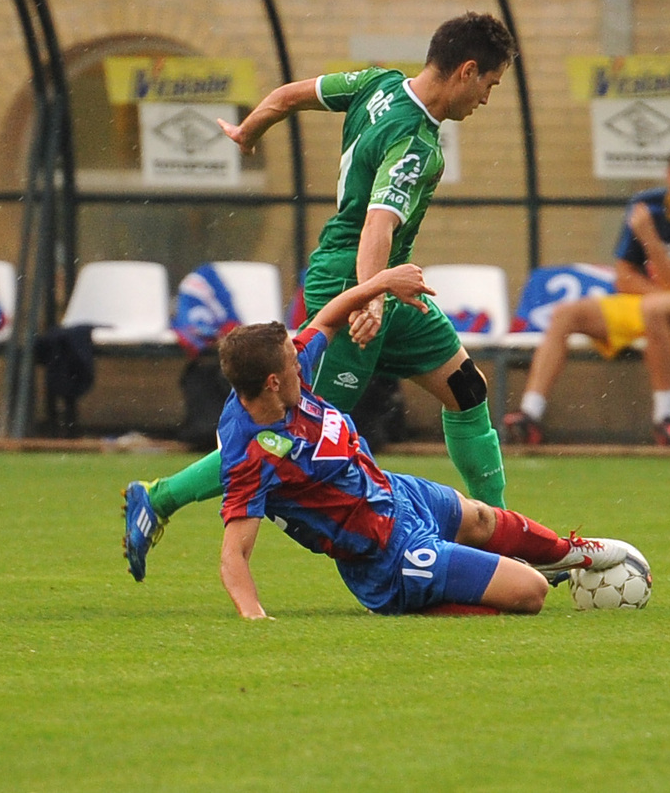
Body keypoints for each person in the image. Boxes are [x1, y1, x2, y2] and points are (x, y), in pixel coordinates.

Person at [120, 263, 631, 616]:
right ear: (273, 382)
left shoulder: (285, 374)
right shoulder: (255, 452)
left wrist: (382, 283)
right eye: (294, 362)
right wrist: (255, 618)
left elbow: (327, 317)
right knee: (531, 594)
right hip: (385, 554)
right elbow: (234, 555)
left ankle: (571, 552)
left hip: (395, 494)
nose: (303, 360)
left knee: (480, 517)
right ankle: (417, 599)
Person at [160, 12, 516, 518]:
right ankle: (160, 497)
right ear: (468, 70)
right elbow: (377, 226)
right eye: (490, 85)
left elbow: (288, 97)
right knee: (296, 430)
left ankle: (501, 526)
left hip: (385, 286)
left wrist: (248, 130)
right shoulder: (414, 143)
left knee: (466, 389)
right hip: (354, 281)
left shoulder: (377, 83)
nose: (486, 99)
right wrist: (369, 298)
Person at [504, 144, 670, 447]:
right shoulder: (645, 206)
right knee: (566, 314)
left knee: (655, 308)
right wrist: (669, 289)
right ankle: (529, 414)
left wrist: (650, 239)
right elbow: (624, 278)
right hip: (651, 300)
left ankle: (665, 417)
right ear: (669, 175)